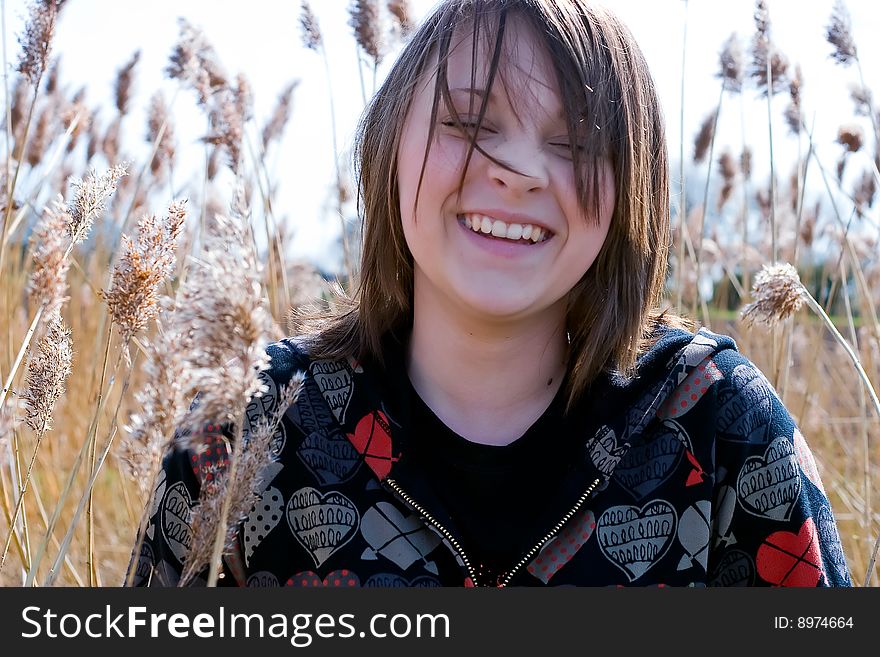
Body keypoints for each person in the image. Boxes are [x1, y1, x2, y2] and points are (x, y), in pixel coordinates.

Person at [129, 0, 852, 587]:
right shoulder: (243, 432)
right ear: (389, 145)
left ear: (631, 186)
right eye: (470, 123)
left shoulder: (723, 429)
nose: (517, 169)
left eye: (576, 142)